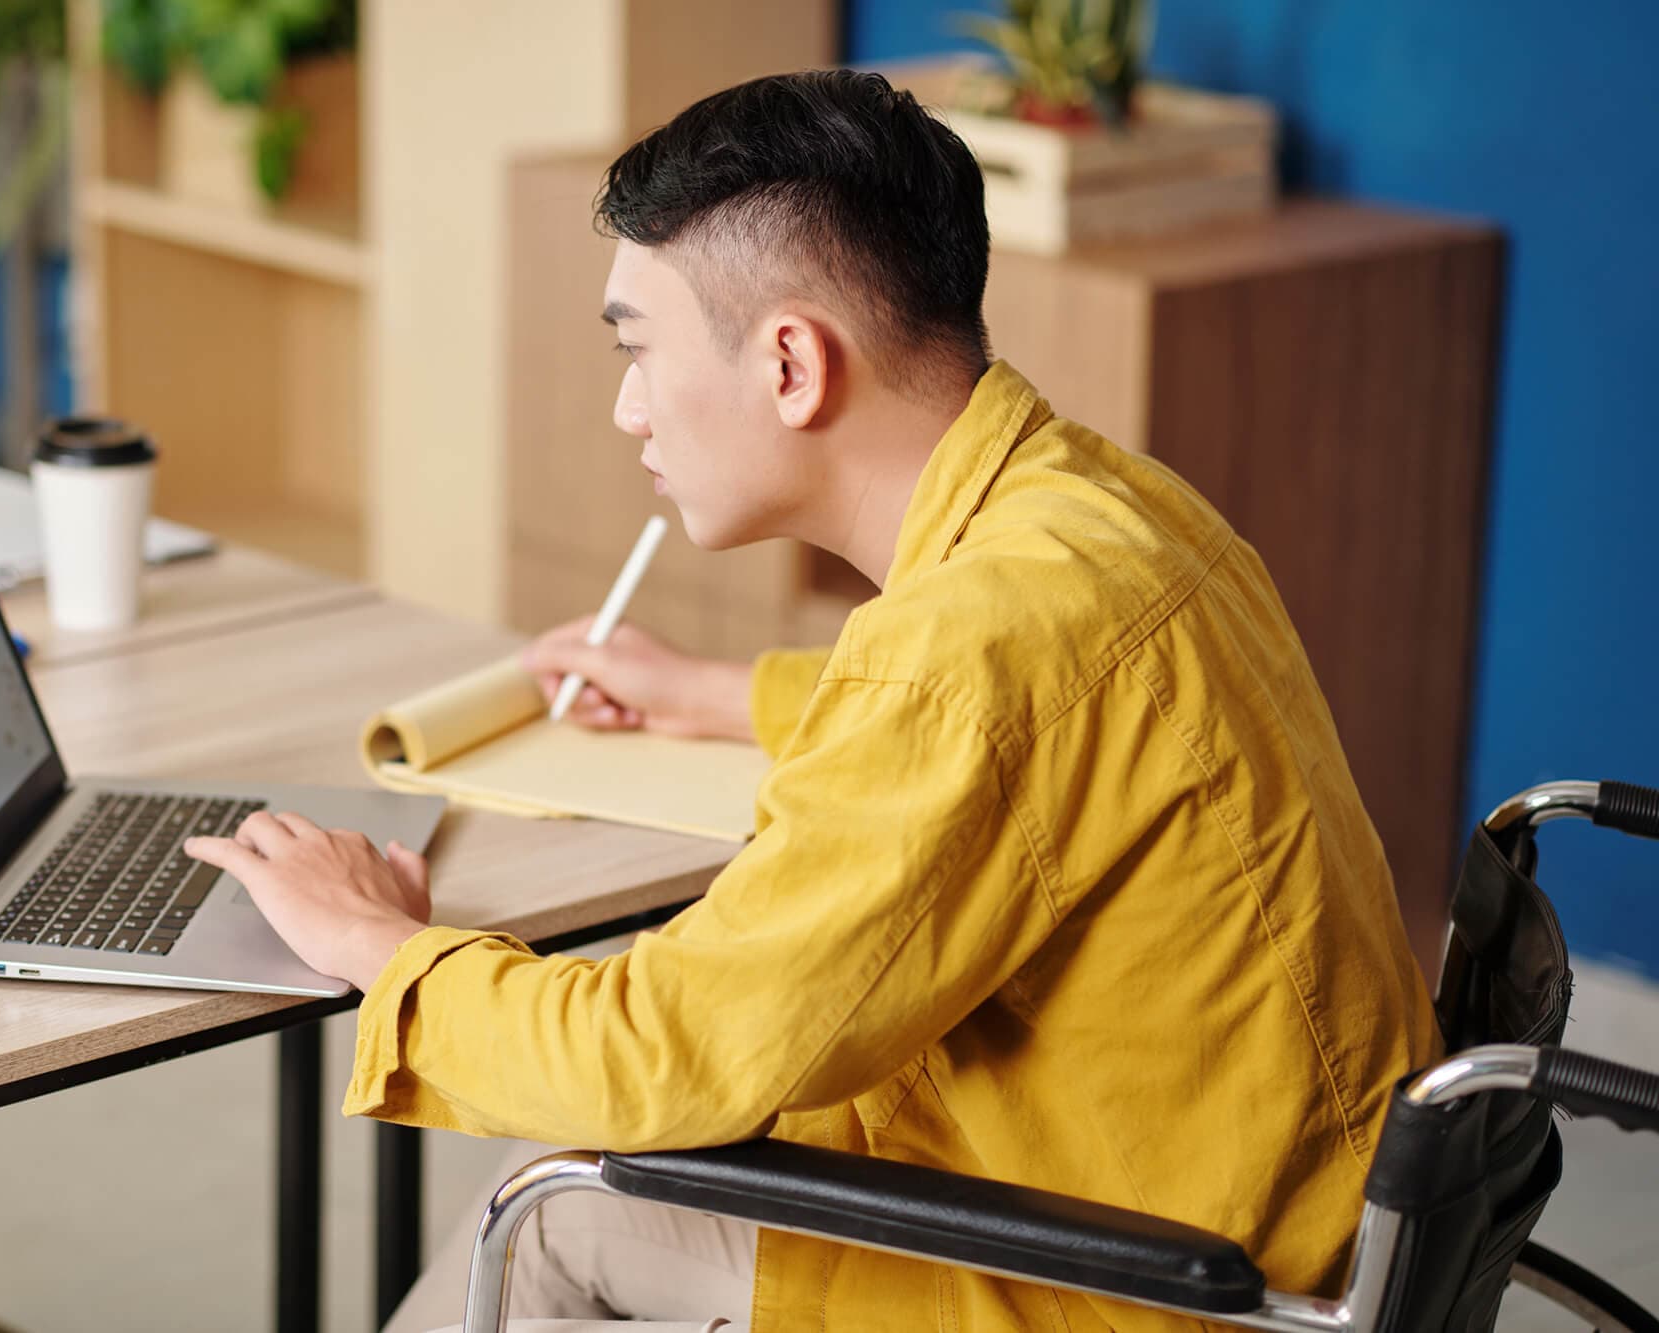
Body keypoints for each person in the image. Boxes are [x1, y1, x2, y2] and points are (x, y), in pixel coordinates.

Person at [185, 70, 1438, 1332]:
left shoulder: (962, 658)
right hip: (1281, 1228)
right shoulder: (1107, 508)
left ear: (789, 361)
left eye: (637, 349)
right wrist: (720, 692)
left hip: (1140, 1290)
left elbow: (667, 1056)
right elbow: (1026, 736)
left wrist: (376, 947)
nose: (626, 408)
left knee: (549, 1202)